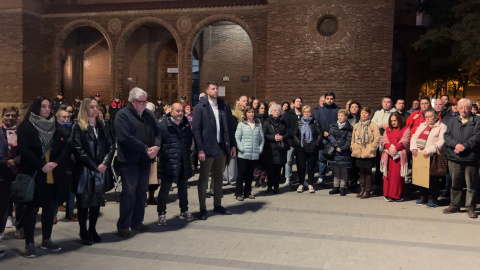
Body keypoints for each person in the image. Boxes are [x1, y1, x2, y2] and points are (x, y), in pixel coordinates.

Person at [18, 96, 70, 257]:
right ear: (36, 108)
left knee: (49, 209)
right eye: (43, 107)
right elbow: (24, 150)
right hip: (35, 173)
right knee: (32, 210)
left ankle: (47, 239)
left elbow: (65, 147)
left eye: (48, 107)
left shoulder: (55, 125)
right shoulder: (26, 126)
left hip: (52, 174)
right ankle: (30, 243)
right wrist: (41, 164)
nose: (47, 109)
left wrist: (55, 163)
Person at [114, 87, 160, 238]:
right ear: (133, 101)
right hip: (129, 161)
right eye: (141, 102)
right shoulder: (122, 115)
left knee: (141, 193)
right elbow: (125, 137)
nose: (145, 104)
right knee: (129, 194)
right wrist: (146, 148)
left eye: (146, 101)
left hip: (145, 161)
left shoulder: (147, 114)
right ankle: (124, 225)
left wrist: (156, 146)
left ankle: (137, 221)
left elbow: (158, 130)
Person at [72, 98, 115, 245]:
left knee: (96, 203)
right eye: (91, 107)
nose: (95, 109)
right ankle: (83, 231)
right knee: (84, 203)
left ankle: (93, 230)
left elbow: (111, 146)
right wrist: (94, 165)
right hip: (85, 171)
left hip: (100, 170)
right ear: (85, 109)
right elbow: (78, 149)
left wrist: (105, 163)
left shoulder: (103, 126)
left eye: (96, 107)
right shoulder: (78, 126)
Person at [193, 82, 237, 220]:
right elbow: (197, 130)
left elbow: (229, 127)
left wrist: (233, 145)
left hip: (222, 147)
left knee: (218, 177)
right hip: (207, 148)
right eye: (213, 88)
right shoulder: (201, 107)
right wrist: (200, 149)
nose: (216, 90)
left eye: (217, 88)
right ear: (207, 91)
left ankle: (217, 204)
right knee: (204, 178)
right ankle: (202, 208)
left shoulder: (223, 106)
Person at [157, 103, 195, 225]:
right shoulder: (163, 124)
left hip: (183, 161)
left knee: (183, 189)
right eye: (177, 111)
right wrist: (165, 154)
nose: (180, 113)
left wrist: (187, 152)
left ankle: (184, 210)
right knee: (165, 190)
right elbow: (158, 142)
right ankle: (161, 214)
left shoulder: (186, 124)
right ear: (171, 111)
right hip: (169, 162)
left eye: (182, 111)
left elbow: (189, 141)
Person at [443, 98, 480, 218]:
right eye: (461, 107)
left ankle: (470, 208)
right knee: (455, 183)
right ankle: (454, 205)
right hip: (455, 156)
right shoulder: (452, 120)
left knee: (471, 185)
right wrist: (455, 145)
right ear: (458, 108)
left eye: (466, 107)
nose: (464, 110)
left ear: (470, 108)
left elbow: (477, 136)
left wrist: (465, 146)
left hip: (470, 157)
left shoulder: (477, 120)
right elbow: (447, 135)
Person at [410, 109, 447, 208]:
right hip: (421, 155)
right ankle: (423, 197)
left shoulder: (442, 126)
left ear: (436, 116)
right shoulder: (422, 125)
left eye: (431, 116)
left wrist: (430, 150)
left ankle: (433, 199)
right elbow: (414, 137)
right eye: (426, 117)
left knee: (432, 179)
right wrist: (413, 148)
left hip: (433, 156)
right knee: (421, 177)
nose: (429, 119)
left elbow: (441, 141)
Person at [0, 107, 24, 239]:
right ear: (2, 116)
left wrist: (15, 160)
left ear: (17, 117)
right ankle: (1, 230)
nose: (10, 118)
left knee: (20, 202)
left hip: (18, 171)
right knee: (2, 203)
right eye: (7, 115)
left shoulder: (21, 132)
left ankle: (20, 227)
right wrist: (6, 162)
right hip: (2, 172)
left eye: (13, 116)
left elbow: (25, 150)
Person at [235, 106, 264, 201]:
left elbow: (261, 139)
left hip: (254, 154)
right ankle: (239, 193)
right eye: (249, 112)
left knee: (250, 174)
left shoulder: (258, 125)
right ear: (245, 114)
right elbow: (237, 138)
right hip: (243, 154)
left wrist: (259, 149)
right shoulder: (241, 125)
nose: (251, 114)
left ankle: (248, 192)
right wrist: (241, 148)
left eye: (252, 112)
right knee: (241, 174)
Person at [351, 107, 381, 199]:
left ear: (369, 115)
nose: (364, 115)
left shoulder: (373, 126)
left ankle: (367, 190)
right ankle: (362, 189)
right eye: (362, 113)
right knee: (361, 172)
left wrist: (372, 147)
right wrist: (353, 146)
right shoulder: (356, 126)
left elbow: (377, 138)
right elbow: (353, 138)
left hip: (368, 152)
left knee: (368, 172)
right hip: (359, 151)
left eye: (366, 113)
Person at [380, 112, 410, 202]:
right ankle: (387, 194)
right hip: (388, 156)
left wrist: (396, 148)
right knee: (387, 176)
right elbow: (384, 141)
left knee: (397, 177)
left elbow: (405, 141)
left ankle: (397, 195)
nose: (393, 123)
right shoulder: (388, 129)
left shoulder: (406, 128)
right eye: (391, 121)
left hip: (399, 157)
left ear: (399, 120)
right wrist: (389, 148)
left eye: (395, 120)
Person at [53, 109, 77, 223]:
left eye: (68, 117)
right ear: (58, 118)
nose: (66, 119)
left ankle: (70, 212)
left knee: (72, 190)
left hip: (72, 164)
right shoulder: (55, 130)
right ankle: (54, 213)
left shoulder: (74, 129)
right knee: (58, 190)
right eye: (63, 117)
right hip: (59, 164)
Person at [314, 92, 340, 184]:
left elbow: (340, 124)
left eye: (331, 98)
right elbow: (316, 124)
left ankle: (334, 177)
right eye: (328, 98)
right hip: (323, 138)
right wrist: (323, 132)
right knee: (322, 158)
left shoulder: (338, 110)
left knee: (334, 159)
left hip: (334, 138)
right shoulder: (318, 111)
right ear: (324, 99)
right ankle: (321, 176)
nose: (329, 100)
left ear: (334, 100)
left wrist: (332, 133)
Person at [294, 105, 322, 193]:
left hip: (312, 148)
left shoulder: (315, 122)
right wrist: (298, 142)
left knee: (311, 167)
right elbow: (295, 134)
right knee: (301, 167)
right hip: (301, 148)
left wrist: (316, 143)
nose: (306, 113)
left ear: (311, 113)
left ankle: (310, 184)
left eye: (308, 112)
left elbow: (320, 134)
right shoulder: (298, 122)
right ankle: (301, 184)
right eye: (305, 112)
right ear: (303, 112)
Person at [263, 104, 290, 194]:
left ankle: (276, 186)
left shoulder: (283, 122)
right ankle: (269, 186)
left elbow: (288, 133)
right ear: (271, 112)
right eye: (275, 110)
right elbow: (263, 134)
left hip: (280, 149)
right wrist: (273, 137)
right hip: (270, 149)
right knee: (270, 169)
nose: (277, 112)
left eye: (279, 110)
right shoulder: (267, 122)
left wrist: (282, 137)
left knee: (278, 169)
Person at [327, 109, 353, 196]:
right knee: (336, 170)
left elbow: (349, 140)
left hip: (344, 152)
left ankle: (343, 187)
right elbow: (330, 137)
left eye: (342, 116)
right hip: (335, 151)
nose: (340, 117)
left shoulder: (349, 128)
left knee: (344, 170)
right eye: (339, 116)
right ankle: (335, 187)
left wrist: (342, 148)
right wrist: (336, 146)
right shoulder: (333, 125)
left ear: (346, 117)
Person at [283, 97, 303, 186]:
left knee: (301, 161)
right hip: (291, 141)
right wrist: (292, 136)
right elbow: (286, 127)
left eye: (300, 101)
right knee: (289, 161)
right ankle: (288, 178)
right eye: (297, 101)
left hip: (301, 142)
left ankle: (302, 179)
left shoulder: (303, 114)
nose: (299, 103)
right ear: (293, 103)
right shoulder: (288, 114)